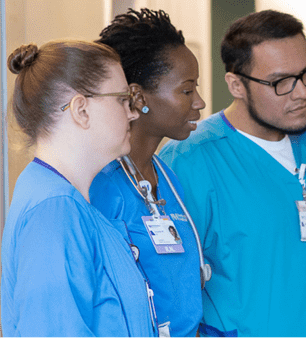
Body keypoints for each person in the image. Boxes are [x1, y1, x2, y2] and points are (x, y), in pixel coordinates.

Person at [159, 10, 306, 337]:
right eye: (282, 82)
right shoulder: (190, 159)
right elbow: (172, 281)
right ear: (236, 84)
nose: (303, 92)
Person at [1, 40, 153, 336]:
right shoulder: (54, 211)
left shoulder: (68, 201)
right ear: (81, 110)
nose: (133, 113)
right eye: (123, 99)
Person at [87, 9, 206, 338]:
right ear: (138, 97)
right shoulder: (100, 186)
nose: (200, 102)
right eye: (186, 91)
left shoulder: (167, 177)